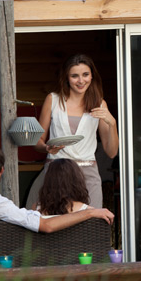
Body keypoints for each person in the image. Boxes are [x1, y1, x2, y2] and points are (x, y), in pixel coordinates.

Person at [26, 54, 118, 210]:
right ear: (66, 78)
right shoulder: (53, 100)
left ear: (92, 76)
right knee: (48, 217)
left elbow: (112, 152)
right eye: (75, 76)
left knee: (91, 221)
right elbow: (37, 142)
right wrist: (47, 148)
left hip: (87, 173)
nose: (81, 81)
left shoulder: (99, 104)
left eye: (85, 74)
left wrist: (113, 123)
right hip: (57, 171)